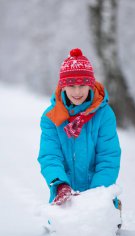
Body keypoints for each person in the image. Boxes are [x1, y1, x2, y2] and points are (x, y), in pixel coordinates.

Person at [37, 48, 122, 214]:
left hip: (98, 193)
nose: (77, 92)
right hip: (66, 196)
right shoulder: (51, 118)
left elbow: (108, 157)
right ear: (63, 87)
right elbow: (50, 156)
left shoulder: (104, 114)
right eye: (71, 86)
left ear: (90, 84)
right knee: (64, 231)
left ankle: (112, 208)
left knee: (100, 230)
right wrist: (60, 184)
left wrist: (96, 195)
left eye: (82, 85)